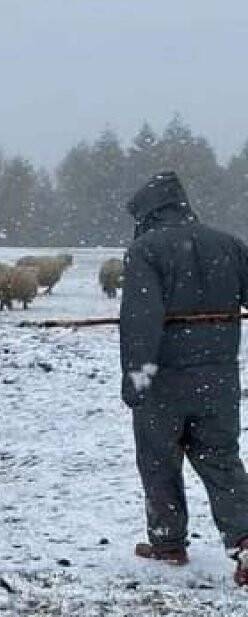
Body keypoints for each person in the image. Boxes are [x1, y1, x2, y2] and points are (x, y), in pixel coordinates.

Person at [120, 170, 248, 586]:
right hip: (220, 378)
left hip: (165, 380)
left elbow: (141, 321)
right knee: (222, 459)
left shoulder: (146, 250)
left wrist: (137, 377)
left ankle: (168, 542)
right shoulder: (229, 245)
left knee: (159, 459)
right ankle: (245, 540)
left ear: (148, 212)